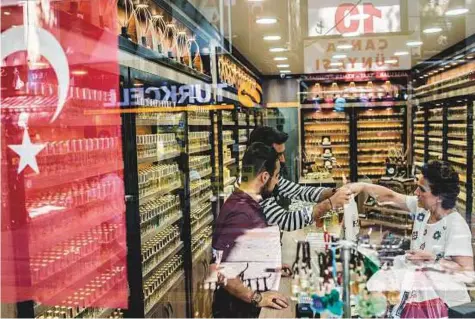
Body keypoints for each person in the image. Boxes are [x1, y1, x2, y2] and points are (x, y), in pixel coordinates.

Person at [348, 160, 473, 309]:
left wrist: (434, 259)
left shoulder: (455, 225)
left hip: (447, 307)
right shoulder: (424, 210)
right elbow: (391, 196)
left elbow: (467, 271)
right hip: (422, 302)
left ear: (439, 196)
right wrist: (362, 186)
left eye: (421, 189)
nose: (416, 193)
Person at [211, 142, 289, 318]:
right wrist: (257, 298)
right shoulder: (241, 212)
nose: (277, 182)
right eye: (276, 176)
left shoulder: (246, 202)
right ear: (264, 177)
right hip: (237, 310)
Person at [248, 126, 350, 231]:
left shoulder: (269, 179)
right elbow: (286, 220)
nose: (283, 159)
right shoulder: (251, 189)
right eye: (278, 155)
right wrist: (329, 203)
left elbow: (299, 191)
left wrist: (335, 193)